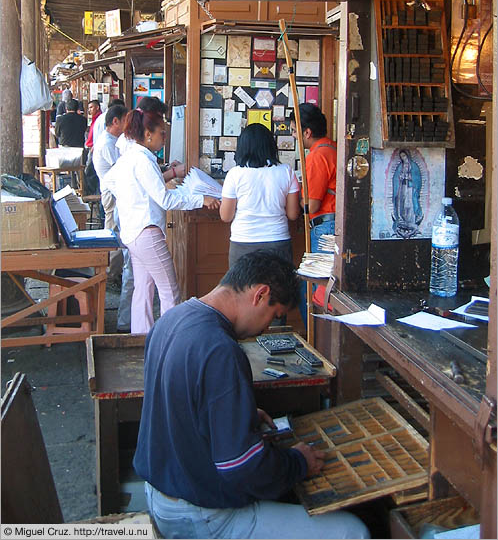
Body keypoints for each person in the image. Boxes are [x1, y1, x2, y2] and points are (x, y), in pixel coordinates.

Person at [133, 250, 370, 540]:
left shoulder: (172, 319)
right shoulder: (220, 350)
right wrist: (298, 463)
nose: (268, 328)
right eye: (274, 315)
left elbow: (179, 406)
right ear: (260, 295)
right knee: (352, 531)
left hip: (159, 494)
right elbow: (242, 467)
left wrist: (238, 415)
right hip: (200, 514)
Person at [102, 107, 219, 334]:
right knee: (169, 292)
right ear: (148, 134)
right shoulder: (143, 160)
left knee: (143, 290)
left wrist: (133, 200)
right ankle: (169, 342)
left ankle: (142, 339)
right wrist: (201, 199)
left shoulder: (132, 156)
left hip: (133, 232)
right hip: (146, 233)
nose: (164, 139)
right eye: (162, 134)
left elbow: (109, 182)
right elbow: (165, 199)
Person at [220, 123, 300, 268]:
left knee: (242, 289)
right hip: (278, 241)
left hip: (243, 241)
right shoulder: (286, 171)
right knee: (278, 289)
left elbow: (226, 216)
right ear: (271, 145)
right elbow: (293, 214)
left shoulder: (235, 174)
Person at [93, 103, 133, 333]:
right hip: (113, 195)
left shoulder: (112, 142)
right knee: (115, 237)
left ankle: (113, 274)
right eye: (125, 120)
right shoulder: (108, 143)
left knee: (117, 236)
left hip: (115, 193)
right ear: (115, 121)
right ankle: (110, 276)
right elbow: (123, 171)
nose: (127, 124)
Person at [290, 104, 337, 252]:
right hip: (335, 224)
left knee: (321, 274)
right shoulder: (334, 148)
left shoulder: (317, 156)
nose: (293, 135)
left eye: (294, 130)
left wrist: (296, 196)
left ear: (307, 132)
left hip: (326, 227)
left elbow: (311, 206)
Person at [83, 99, 102, 195]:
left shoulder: (100, 119)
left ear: (97, 107)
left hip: (95, 149)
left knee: (90, 172)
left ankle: (94, 193)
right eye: (88, 108)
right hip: (91, 148)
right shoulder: (95, 119)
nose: (89, 110)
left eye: (91, 107)